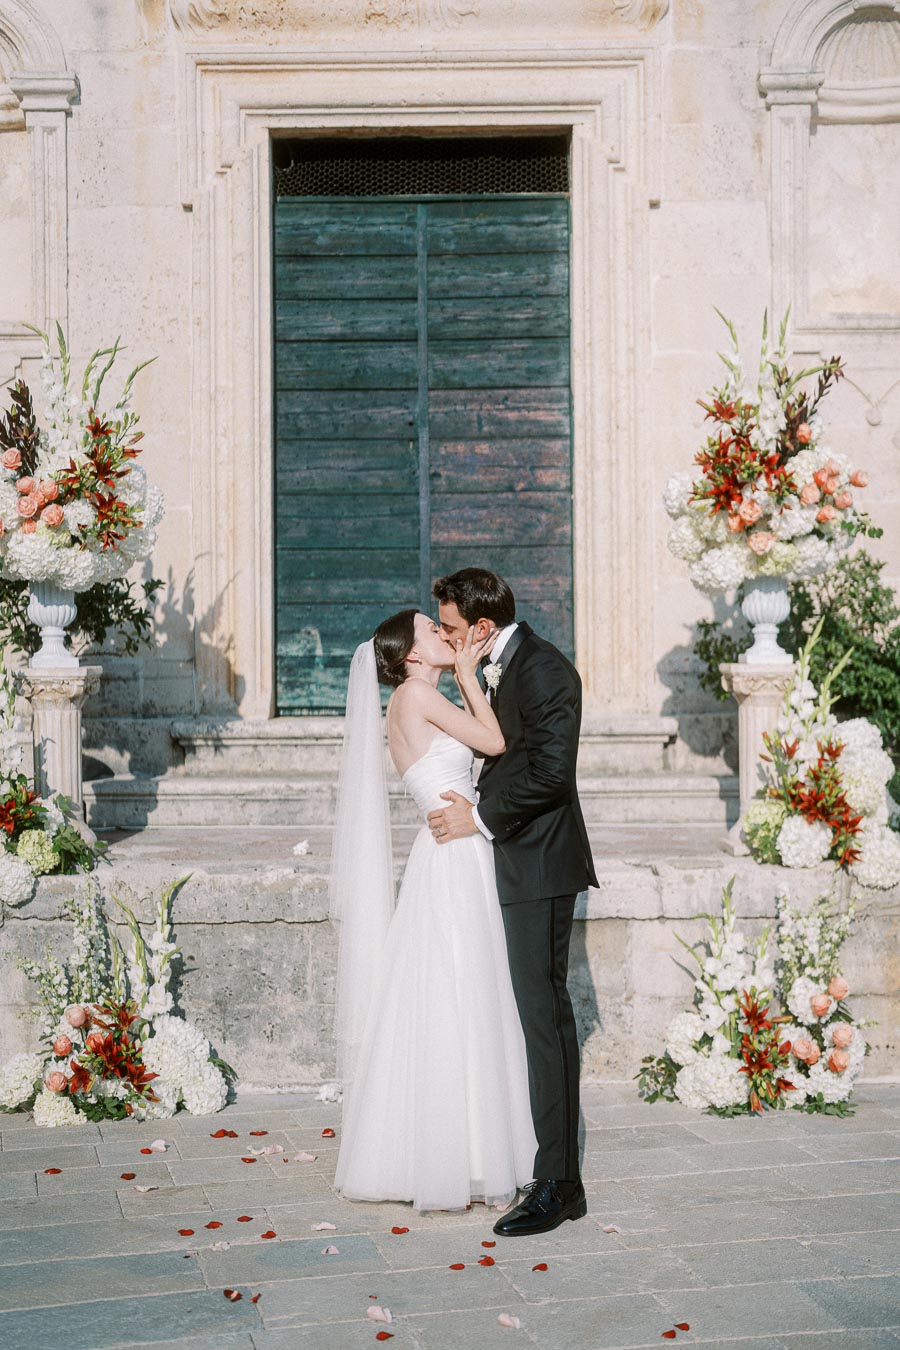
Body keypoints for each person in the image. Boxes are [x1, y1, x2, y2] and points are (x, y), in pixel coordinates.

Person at [331, 609, 537, 1211]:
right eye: (432, 631)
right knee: (464, 990)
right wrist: (472, 672)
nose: (445, 636)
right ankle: (469, 1153)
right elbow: (495, 741)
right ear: (413, 655)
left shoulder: (404, 700)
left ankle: (450, 1147)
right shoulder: (418, 694)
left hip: (445, 849)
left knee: (446, 991)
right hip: (455, 856)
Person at [428, 568, 598, 1237]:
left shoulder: (548, 671)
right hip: (505, 861)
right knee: (527, 1019)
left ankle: (560, 1184)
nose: (443, 638)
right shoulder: (500, 663)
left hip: (540, 863)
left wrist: (480, 817)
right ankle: (538, 1163)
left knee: (543, 1021)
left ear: (481, 629)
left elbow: (553, 775)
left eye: (448, 628)